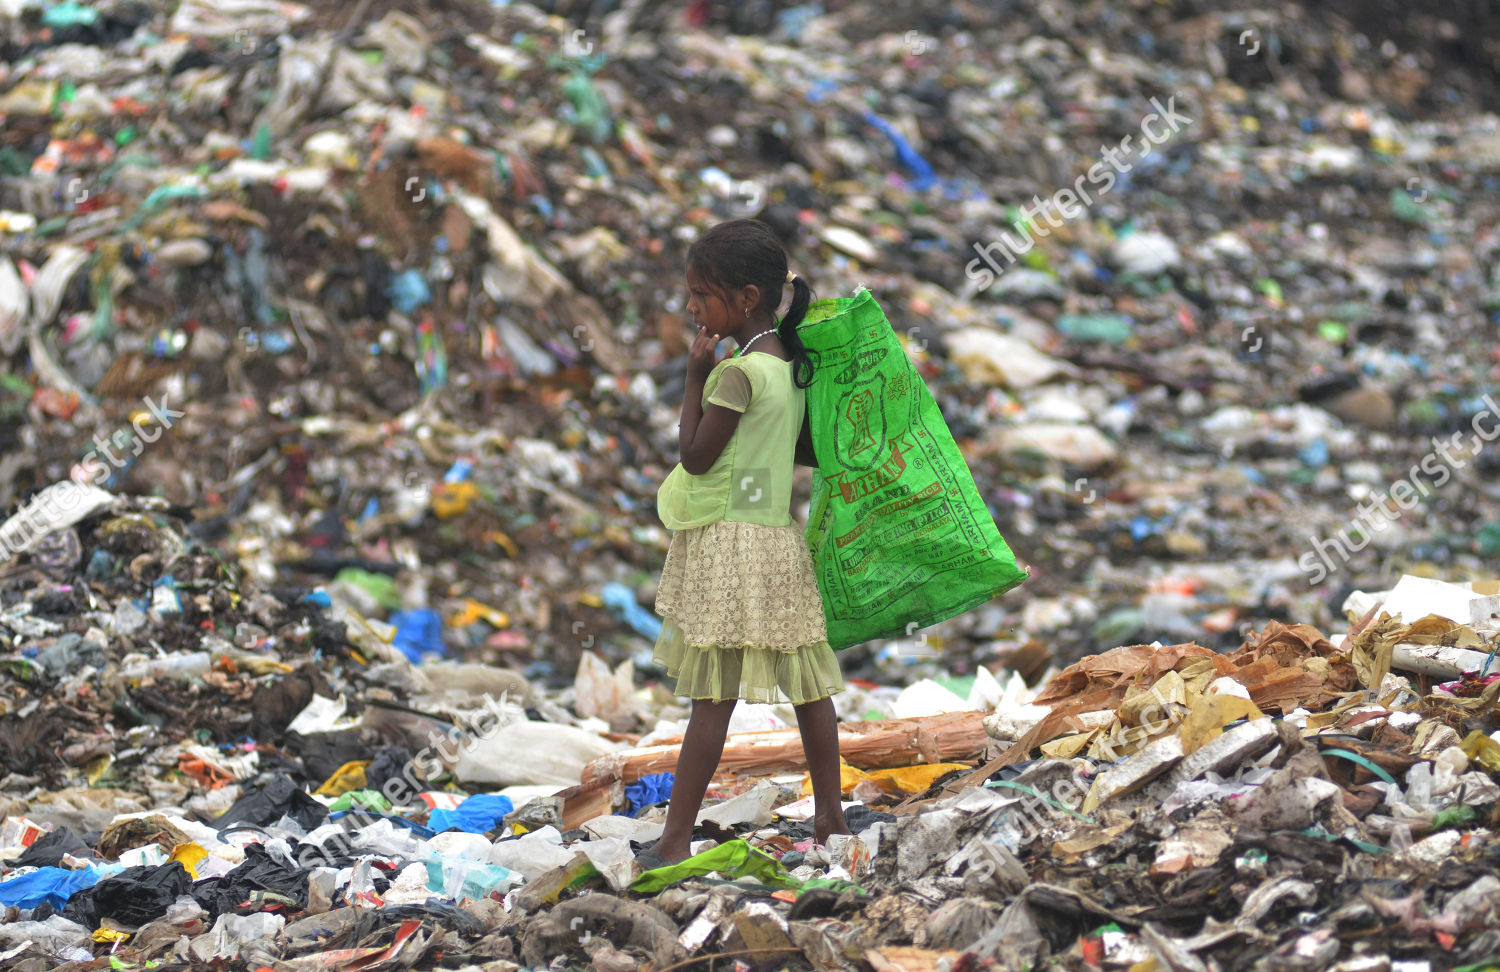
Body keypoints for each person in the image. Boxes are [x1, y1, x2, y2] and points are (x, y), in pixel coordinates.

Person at [641, 218, 849, 868]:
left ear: (747, 296)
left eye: (702, 295)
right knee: (811, 687)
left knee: (713, 699)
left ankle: (675, 839)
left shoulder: (735, 374)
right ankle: (831, 819)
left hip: (731, 545)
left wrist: (693, 376)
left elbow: (695, 459)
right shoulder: (789, 366)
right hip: (777, 540)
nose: (692, 308)